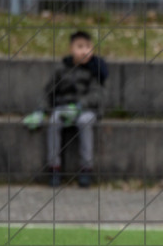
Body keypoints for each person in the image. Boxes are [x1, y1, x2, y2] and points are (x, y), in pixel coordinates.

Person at [24, 30, 107, 188]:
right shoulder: (61, 69)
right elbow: (48, 92)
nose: (84, 50)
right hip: (63, 108)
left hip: (87, 109)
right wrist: (41, 110)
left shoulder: (96, 69)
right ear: (71, 48)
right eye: (80, 46)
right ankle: (54, 168)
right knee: (54, 121)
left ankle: (86, 169)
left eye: (88, 46)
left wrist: (79, 106)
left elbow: (97, 94)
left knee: (84, 122)